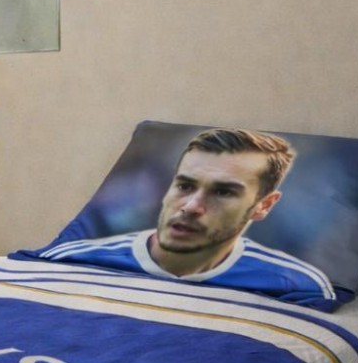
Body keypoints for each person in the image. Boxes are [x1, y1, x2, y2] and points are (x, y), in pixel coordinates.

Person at [26, 128, 338, 309]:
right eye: (185, 186)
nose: (191, 207)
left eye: (223, 192)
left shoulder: (298, 284)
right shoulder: (70, 256)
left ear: (264, 206)